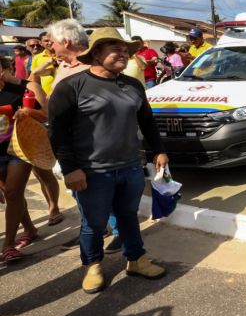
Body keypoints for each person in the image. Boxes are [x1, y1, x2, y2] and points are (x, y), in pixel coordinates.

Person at [48, 27, 169, 293]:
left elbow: (146, 121)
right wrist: (70, 169)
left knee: (128, 216)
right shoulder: (71, 86)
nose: (123, 55)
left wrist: (158, 149)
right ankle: (93, 266)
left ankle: (135, 259)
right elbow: (57, 132)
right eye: (116, 49)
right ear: (96, 54)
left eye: (126, 51)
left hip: (129, 166)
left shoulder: (133, 85)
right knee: (93, 223)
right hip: (91, 171)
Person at [0, 61, 51, 262]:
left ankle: (8, 245)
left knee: (13, 192)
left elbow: (45, 114)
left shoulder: (20, 90)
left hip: (19, 148)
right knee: (12, 195)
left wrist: (27, 112)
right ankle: (30, 228)